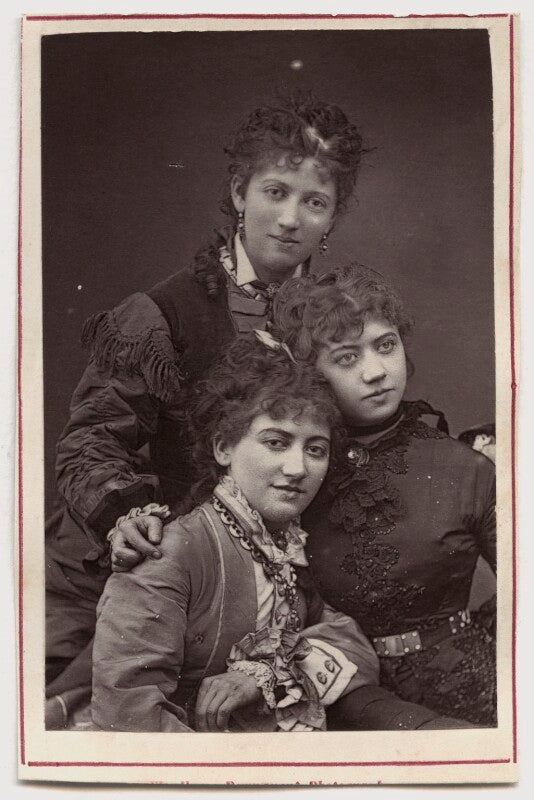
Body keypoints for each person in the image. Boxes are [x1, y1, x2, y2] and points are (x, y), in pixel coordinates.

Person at [45, 93, 367, 716]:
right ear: (240, 192)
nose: (290, 219)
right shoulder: (161, 315)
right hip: (140, 562)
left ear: (331, 218)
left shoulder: (336, 320)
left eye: (314, 202)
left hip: (265, 573)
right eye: (275, 192)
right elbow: (90, 441)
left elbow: (370, 410)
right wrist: (127, 516)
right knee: (66, 713)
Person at [90, 332, 472, 732]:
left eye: (315, 449)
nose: (297, 469)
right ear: (223, 448)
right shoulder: (169, 551)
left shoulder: (286, 545)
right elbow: (129, 718)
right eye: (276, 442)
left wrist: (263, 676)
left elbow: (354, 645)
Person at [271, 264, 496, 727]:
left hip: (466, 697)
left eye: (386, 345)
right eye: (347, 358)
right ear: (312, 374)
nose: (376, 372)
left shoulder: (465, 468)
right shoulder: (294, 473)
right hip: (333, 703)